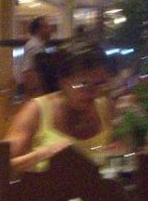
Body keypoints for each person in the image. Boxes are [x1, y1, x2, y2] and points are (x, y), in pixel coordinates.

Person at [6, 40, 113, 171]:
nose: (94, 93)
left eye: (99, 84)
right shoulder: (37, 110)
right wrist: (45, 153)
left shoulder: (104, 107)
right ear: (63, 82)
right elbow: (3, 165)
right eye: (84, 84)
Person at [20, 15, 52, 98]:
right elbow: (29, 70)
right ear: (39, 30)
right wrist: (35, 92)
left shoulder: (37, 45)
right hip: (36, 90)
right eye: (46, 27)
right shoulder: (35, 46)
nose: (50, 30)